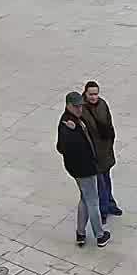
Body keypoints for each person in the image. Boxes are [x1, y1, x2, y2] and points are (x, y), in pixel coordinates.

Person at [56, 91, 110, 248]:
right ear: (68, 105)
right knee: (93, 201)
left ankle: (80, 233)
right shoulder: (67, 124)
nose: (80, 109)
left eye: (81, 106)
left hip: (82, 167)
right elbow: (61, 147)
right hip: (83, 169)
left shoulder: (75, 119)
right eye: (76, 106)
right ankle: (100, 235)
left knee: (85, 199)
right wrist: (72, 133)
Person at [79, 81, 122, 216]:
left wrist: (110, 142)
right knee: (100, 183)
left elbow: (109, 124)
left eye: (96, 94)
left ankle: (110, 203)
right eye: (91, 94)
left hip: (105, 150)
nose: (94, 97)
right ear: (85, 93)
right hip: (93, 153)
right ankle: (103, 209)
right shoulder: (81, 109)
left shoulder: (102, 104)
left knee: (107, 179)